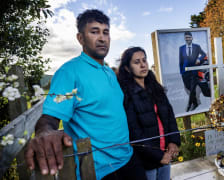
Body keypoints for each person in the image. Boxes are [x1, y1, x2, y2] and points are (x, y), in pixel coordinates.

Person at [24, 9, 147, 180]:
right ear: (80, 38)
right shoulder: (69, 72)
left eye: (106, 32)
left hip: (127, 158)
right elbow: (50, 118)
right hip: (96, 169)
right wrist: (44, 131)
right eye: (94, 32)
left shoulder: (110, 72)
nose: (102, 38)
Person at [118, 47, 181, 180]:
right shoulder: (126, 95)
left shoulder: (155, 87)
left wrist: (173, 141)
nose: (142, 65)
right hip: (146, 160)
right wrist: (158, 156)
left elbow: (169, 116)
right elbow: (134, 132)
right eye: (136, 62)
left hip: (165, 153)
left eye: (144, 60)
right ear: (127, 69)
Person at [179, 31, 211, 112]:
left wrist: (199, 59)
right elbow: (181, 61)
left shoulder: (197, 47)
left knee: (192, 89)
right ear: (184, 38)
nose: (188, 39)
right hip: (185, 72)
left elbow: (204, 54)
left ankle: (190, 105)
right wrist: (181, 72)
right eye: (186, 37)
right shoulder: (181, 48)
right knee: (189, 88)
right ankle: (195, 102)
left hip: (194, 71)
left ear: (192, 38)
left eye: (189, 37)